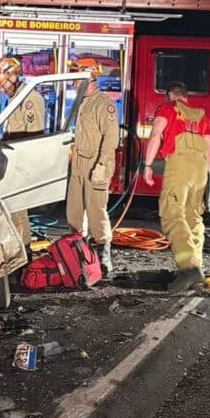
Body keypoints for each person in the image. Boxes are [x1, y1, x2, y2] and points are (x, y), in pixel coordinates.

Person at [142, 81, 210, 291]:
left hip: (179, 164)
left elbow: (156, 135)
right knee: (193, 216)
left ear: (171, 96)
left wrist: (147, 165)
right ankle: (196, 267)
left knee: (172, 213)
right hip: (201, 169)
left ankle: (188, 268)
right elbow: (209, 151)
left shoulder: (167, 108)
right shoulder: (203, 117)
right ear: (186, 97)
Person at [66, 59, 119, 277]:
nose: (73, 83)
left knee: (96, 211)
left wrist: (101, 164)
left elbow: (111, 138)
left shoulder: (102, 104)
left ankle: (104, 256)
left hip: (96, 165)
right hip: (78, 165)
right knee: (74, 212)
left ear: (88, 78)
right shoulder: (80, 103)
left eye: (76, 78)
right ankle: (80, 253)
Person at [0, 57, 45, 249]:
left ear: (12, 75)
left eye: (2, 82)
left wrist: (27, 168)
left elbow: (35, 137)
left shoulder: (29, 99)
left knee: (19, 211)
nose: (1, 88)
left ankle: (24, 251)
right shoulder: (15, 97)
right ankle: (17, 250)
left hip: (22, 162)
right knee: (13, 210)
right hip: (12, 162)